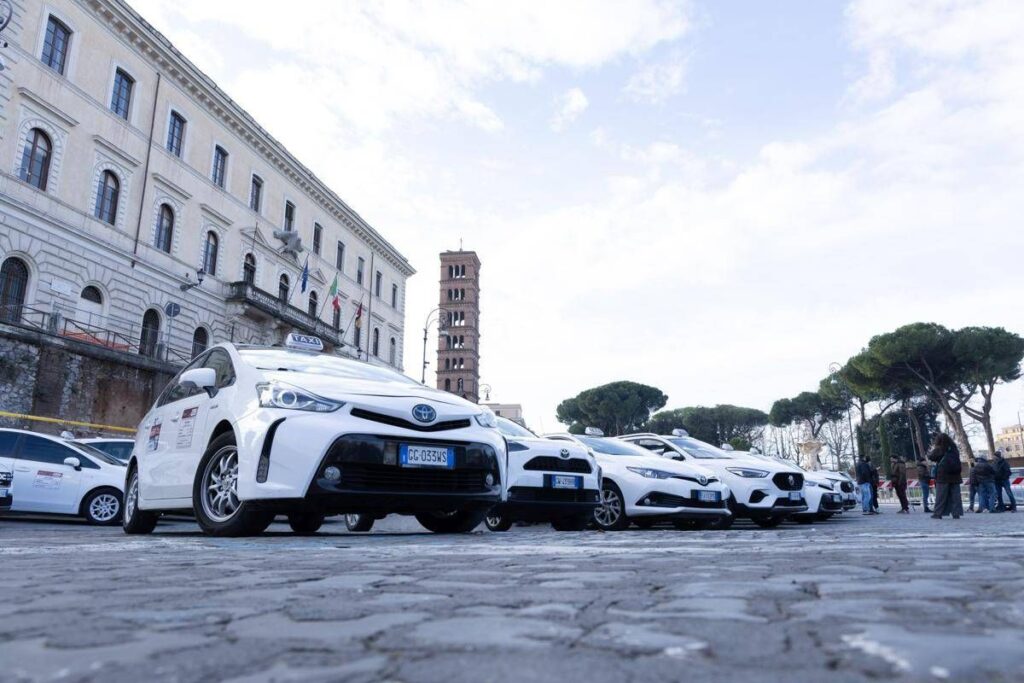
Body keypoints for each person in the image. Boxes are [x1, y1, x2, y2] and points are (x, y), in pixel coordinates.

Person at [929, 434, 963, 519]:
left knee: (941, 496)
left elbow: (931, 457)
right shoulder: (954, 449)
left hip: (943, 476)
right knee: (956, 496)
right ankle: (956, 513)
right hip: (955, 476)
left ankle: (938, 513)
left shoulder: (940, 449)